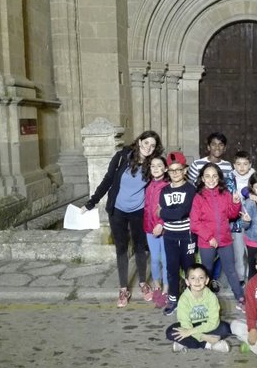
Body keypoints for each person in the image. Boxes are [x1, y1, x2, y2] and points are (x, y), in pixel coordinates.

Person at [82, 130, 163, 308]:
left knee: (140, 248)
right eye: (146, 143)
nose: (148, 148)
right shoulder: (121, 157)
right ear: (139, 141)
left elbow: (163, 181)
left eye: (153, 145)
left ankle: (143, 283)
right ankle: (123, 288)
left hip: (139, 211)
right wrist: (91, 202)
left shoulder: (153, 164)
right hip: (117, 210)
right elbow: (108, 180)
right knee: (121, 249)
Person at [190, 163, 245, 310]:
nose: (211, 179)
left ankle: (240, 297)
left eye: (214, 176)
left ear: (219, 177)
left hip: (225, 239)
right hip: (207, 242)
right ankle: (203, 300)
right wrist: (209, 237)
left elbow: (232, 215)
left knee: (230, 269)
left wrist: (236, 203)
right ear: (202, 178)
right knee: (206, 271)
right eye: (207, 176)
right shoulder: (198, 198)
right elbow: (194, 223)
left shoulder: (225, 194)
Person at [187, 132, 233, 293]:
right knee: (205, 252)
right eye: (213, 144)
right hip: (202, 214)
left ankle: (214, 278)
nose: (217, 148)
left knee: (222, 250)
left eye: (221, 145)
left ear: (225, 148)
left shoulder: (228, 166)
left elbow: (228, 188)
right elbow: (190, 186)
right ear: (208, 147)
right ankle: (201, 283)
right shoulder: (197, 164)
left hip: (221, 214)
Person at [158, 151, 197, 316]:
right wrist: (167, 213)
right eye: (171, 170)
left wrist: (164, 213)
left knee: (189, 269)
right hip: (170, 236)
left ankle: (192, 299)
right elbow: (164, 212)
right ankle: (173, 299)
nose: (175, 173)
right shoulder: (164, 190)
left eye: (178, 169)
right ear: (167, 171)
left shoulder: (190, 189)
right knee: (172, 268)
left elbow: (182, 212)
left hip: (187, 235)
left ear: (185, 170)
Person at [165, 263, 232, 353]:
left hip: (206, 326)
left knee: (226, 329)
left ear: (207, 280)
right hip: (190, 326)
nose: (197, 281)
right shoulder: (184, 299)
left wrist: (191, 332)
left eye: (201, 278)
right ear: (187, 282)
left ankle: (184, 343)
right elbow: (185, 325)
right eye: (193, 278)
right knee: (171, 332)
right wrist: (203, 337)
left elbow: (213, 322)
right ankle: (208, 345)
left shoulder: (211, 297)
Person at [143, 155, 169, 307]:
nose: (156, 168)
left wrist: (161, 224)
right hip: (149, 228)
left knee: (165, 259)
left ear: (165, 169)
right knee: (154, 258)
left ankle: (166, 288)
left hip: (163, 229)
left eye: (159, 166)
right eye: (153, 166)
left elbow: (168, 208)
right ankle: (157, 286)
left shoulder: (167, 186)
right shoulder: (148, 185)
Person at [230, 150, 256, 285]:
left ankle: (253, 276)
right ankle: (240, 277)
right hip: (236, 221)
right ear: (234, 165)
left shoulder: (255, 178)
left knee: (252, 251)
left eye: (245, 164)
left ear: (250, 165)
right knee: (238, 251)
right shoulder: (230, 179)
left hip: (253, 221)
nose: (242, 167)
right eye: (238, 164)